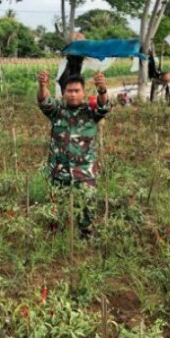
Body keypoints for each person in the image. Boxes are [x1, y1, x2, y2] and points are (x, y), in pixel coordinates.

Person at [37, 69, 111, 235]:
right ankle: (56, 233)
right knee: (56, 204)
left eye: (77, 91)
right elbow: (43, 101)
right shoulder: (57, 111)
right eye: (69, 91)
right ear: (63, 93)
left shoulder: (91, 112)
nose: (73, 94)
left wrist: (102, 88)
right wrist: (42, 85)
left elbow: (104, 106)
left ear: (83, 92)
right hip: (58, 169)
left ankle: (85, 233)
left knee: (86, 204)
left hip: (84, 170)